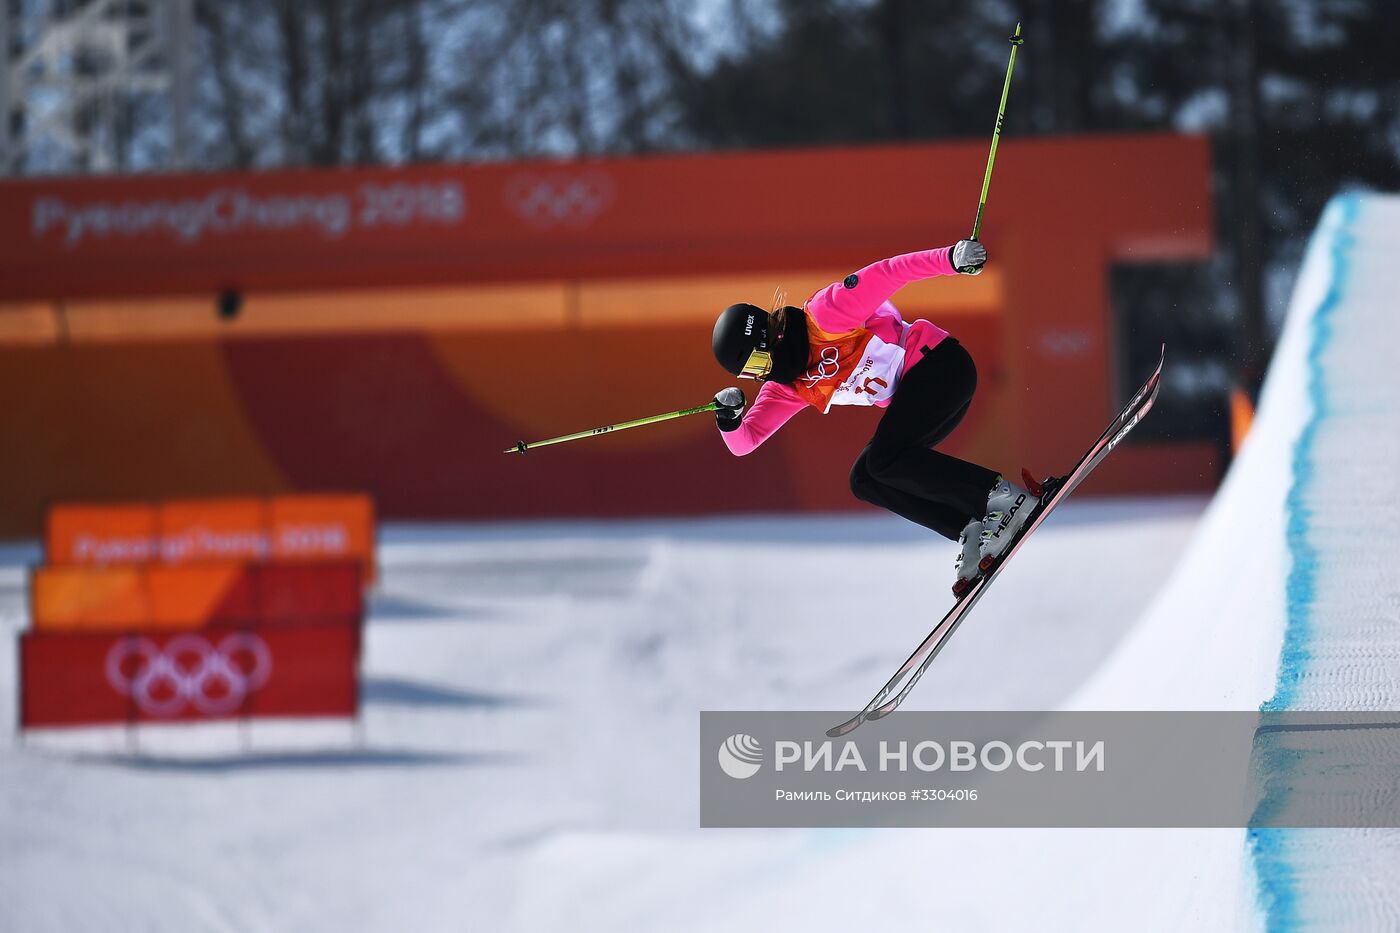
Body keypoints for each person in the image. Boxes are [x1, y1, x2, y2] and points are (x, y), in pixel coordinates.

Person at [710, 240, 1043, 595]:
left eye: (758, 363)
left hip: (943, 368)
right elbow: (744, 442)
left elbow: (889, 272)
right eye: (753, 374)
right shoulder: (789, 387)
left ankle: (1003, 498)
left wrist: (950, 259)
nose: (763, 375)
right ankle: (971, 528)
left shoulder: (825, 316)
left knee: (883, 459)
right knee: (864, 478)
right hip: (922, 399)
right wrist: (728, 419)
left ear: (768, 339)